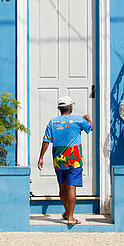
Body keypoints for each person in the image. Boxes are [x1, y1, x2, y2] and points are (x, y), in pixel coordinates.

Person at [37, 95, 92, 226]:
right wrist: (88, 119)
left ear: (59, 108)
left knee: (62, 186)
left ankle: (67, 212)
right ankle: (71, 217)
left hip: (59, 159)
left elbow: (46, 140)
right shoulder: (79, 120)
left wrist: (41, 157)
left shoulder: (53, 122)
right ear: (71, 107)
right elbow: (90, 128)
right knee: (71, 187)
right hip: (74, 159)